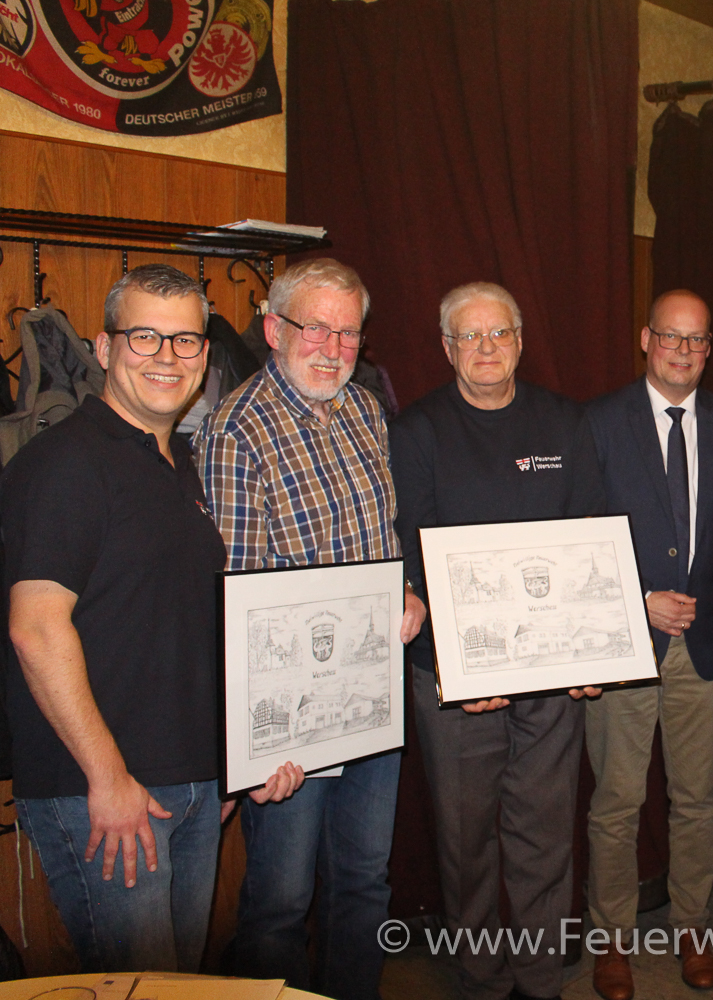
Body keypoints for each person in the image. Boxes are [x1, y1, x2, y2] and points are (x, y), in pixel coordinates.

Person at [2, 265, 301, 974]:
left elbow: (189, 626)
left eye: (185, 340)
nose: (168, 357)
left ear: (205, 354)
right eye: (145, 337)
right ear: (105, 348)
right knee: (140, 983)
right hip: (104, 792)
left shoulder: (182, 461)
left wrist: (233, 760)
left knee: (176, 980)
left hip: (190, 783)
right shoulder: (65, 464)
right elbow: (35, 628)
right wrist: (108, 778)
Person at [195, 258, 425, 1000]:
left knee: (364, 879)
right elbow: (237, 593)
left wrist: (406, 591)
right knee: (281, 900)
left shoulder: (365, 410)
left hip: (372, 691)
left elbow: (385, 536)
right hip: (292, 715)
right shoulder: (236, 431)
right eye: (316, 328)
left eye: (349, 333)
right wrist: (255, 744)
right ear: (274, 329)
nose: (333, 348)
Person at [390, 282, 605, 1000]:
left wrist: (592, 651)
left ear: (519, 341)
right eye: (469, 336)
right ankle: (481, 980)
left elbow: (590, 538)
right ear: (447, 347)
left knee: (545, 833)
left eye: (500, 333)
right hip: (454, 678)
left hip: (549, 671)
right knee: (466, 842)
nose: (486, 348)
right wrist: (462, 666)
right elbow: (410, 552)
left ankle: (540, 980)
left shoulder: (566, 423)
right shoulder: (416, 431)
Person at [584, 289, 713, 1000]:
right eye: (671, 336)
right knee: (617, 800)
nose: (683, 351)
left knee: (698, 798)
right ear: (646, 339)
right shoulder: (599, 422)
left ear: (709, 348)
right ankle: (611, 938)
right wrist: (639, 600)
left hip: (708, 645)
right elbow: (578, 537)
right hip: (623, 641)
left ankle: (692, 924)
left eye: (696, 339)